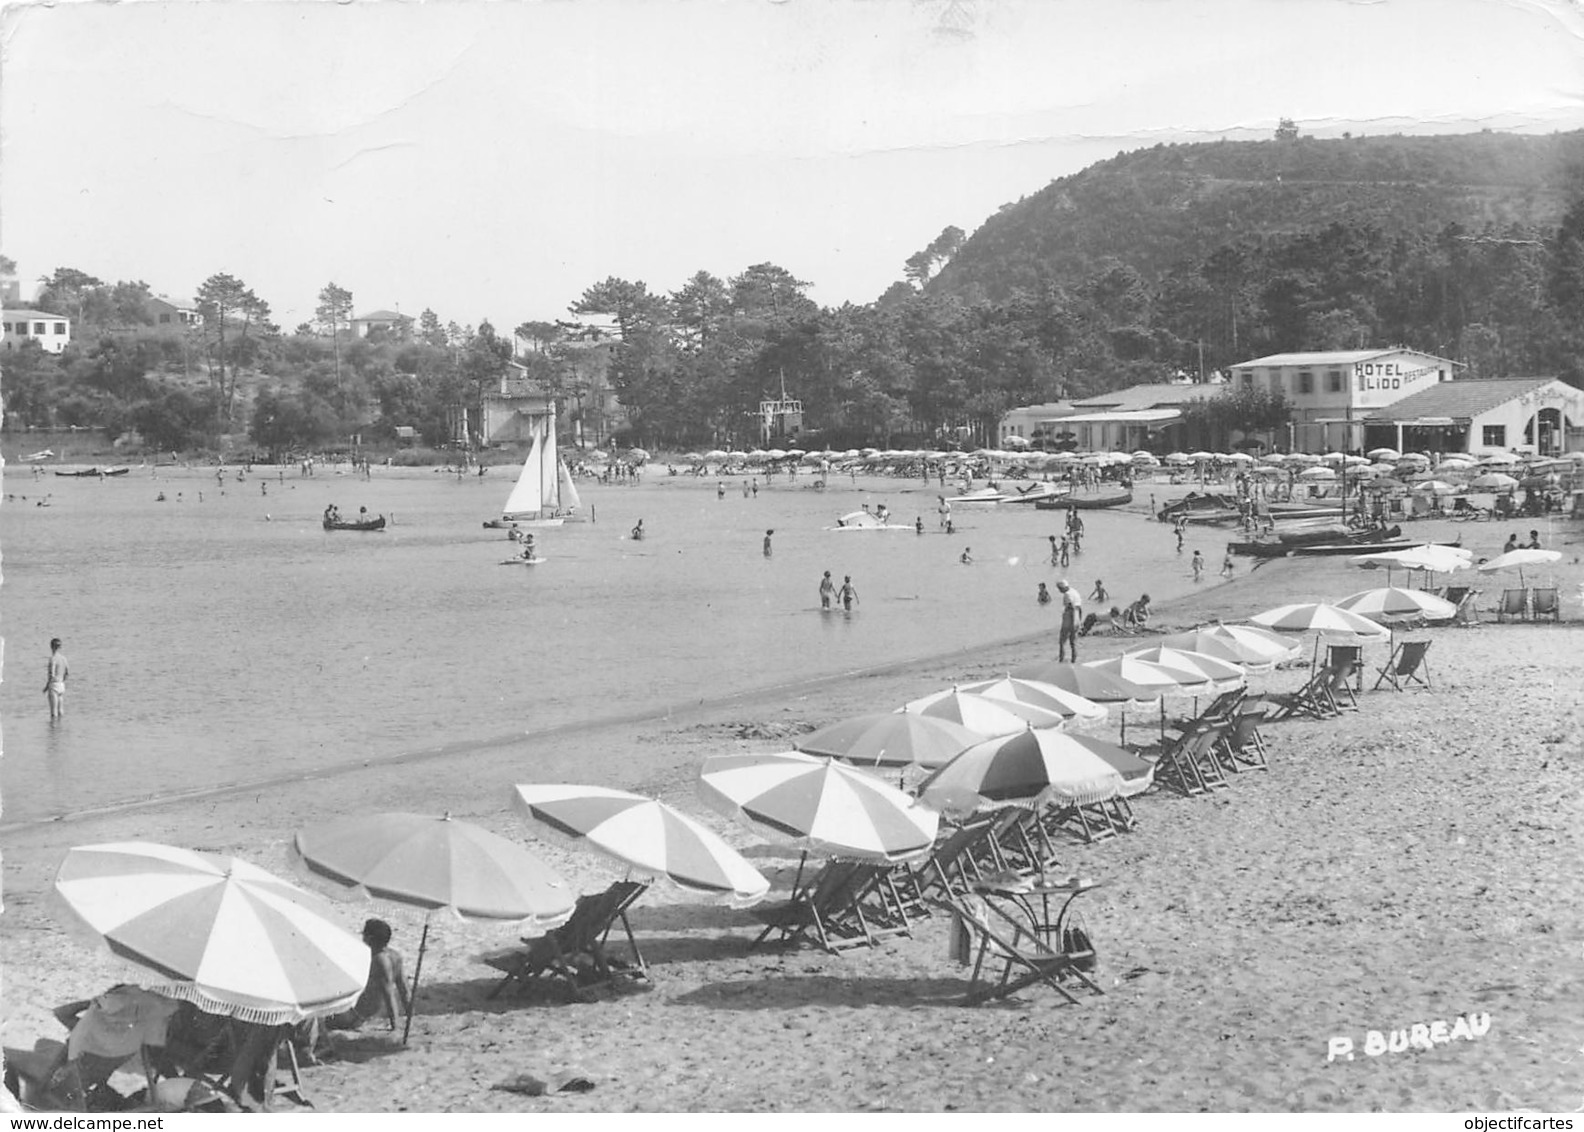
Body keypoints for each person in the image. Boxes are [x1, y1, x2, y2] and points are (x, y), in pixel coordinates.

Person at [1056, 580, 1082, 662]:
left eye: (1059, 589)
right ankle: (1074, 659)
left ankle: (1061, 659)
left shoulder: (1067, 595)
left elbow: (1071, 607)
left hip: (1069, 618)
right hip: (1077, 617)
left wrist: (1072, 622)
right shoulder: (1075, 592)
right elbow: (1079, 608)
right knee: (1073, 641)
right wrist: (1078, 620)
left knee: (1062, 641)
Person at [44, 637, 68, 720]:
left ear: (52, 647)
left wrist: (47, 687)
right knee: (60, 710)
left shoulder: (53, 659)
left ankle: (54, 731)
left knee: (53, 712)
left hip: (54, 685)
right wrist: (62, 681)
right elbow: (67, 673)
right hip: (61, 684)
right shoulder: (64, 659)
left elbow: (52, 674)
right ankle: (60, 728)